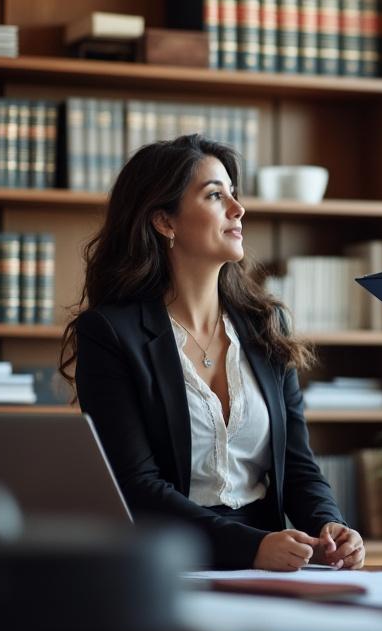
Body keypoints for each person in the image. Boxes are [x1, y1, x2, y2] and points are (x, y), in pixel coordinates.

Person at [59, 134, 365, 571]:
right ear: (164, 221)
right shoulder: (110, 333)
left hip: (274, 564)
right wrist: (252, 547)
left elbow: (298, 466)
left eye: (234, 195)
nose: (238, 209)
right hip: (166, 564)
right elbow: (137, 485)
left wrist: (331, 527)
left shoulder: (266, 327)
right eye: (215, 195)